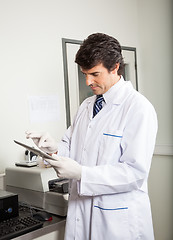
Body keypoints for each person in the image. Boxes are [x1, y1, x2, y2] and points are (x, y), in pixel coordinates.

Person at [26, 33, 158, 240]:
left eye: (95, 74)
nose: (88, 81)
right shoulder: (87, 105)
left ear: (115, 67)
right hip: (82, 210)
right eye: (84, 74)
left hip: (117, 220)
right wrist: (53, 149)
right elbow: (72, 147)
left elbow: (135, 172)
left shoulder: (138, 108)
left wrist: (82, 174)